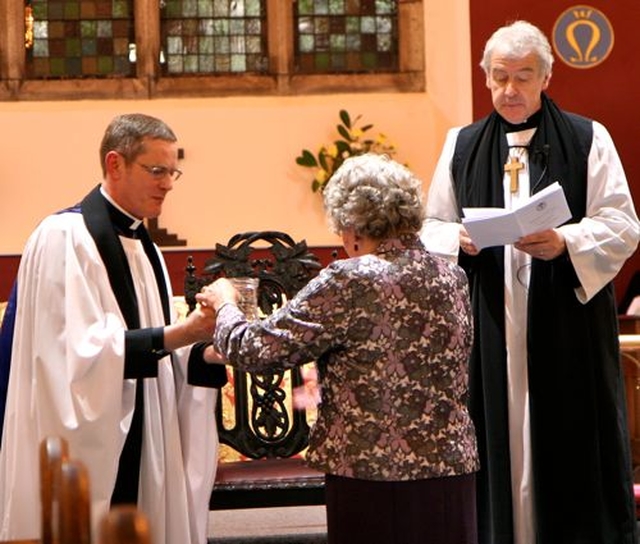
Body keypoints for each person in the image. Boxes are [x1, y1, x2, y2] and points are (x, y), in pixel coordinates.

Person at [420, 20, 640, 544]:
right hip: (491, 315)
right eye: (499, 78)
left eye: (522, 77)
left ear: (546, 76)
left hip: (565, 321)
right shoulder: (462, 144)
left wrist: (566, 243)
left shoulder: (588, 138)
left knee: (566, 440)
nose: (509, 90)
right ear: (486, 78)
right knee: (497, 434)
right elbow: (430, 226)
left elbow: (622, 224)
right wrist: (462, 240)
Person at [197, 153, 480, 544]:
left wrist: (225, 302)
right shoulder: (451, 275)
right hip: (450, 469)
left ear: (351, 226)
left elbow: (257, 350)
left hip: (372, 474)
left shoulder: (350, 278)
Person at [0, 113, 227, 544]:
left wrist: (204, 348)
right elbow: (74, 359)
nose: (168, 184)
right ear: (115, 164)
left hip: (146, 432)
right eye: (156, 170)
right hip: (85, 446)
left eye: (172, 172)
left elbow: (158, 347)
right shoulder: (64, 237)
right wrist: (184, 332)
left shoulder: (146, 248)